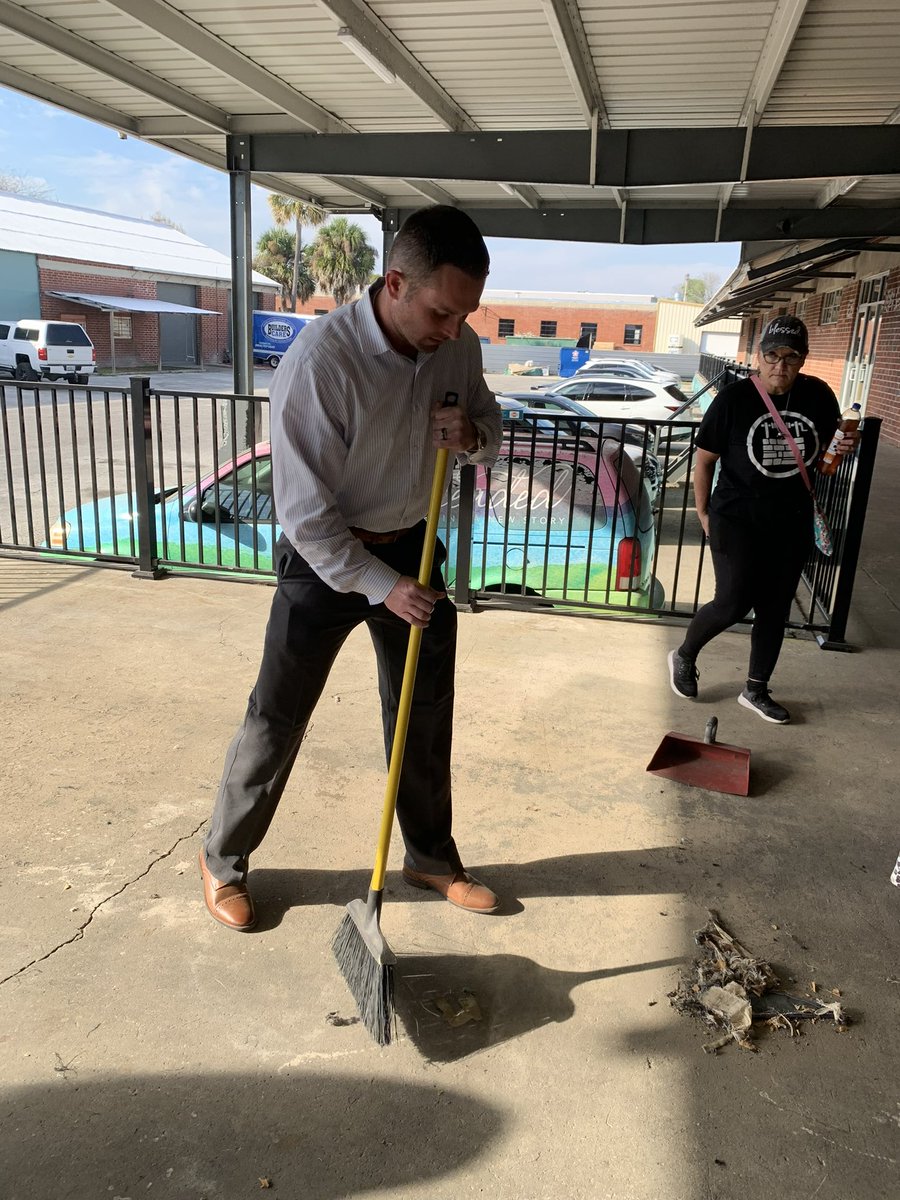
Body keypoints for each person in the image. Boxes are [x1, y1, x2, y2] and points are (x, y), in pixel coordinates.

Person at [199, 205, 503, 931]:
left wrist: (472, 435)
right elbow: (304, 516)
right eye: (441, 311)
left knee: (423, 712)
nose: (454, 329)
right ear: (395, 283)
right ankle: (224, 859)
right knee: (278, 714)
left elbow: (489, 427)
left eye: (466, 314)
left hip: (414, 545)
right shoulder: (321, 362)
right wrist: (381, 586)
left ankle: (430, 857)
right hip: (326, 555)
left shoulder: (457, 346)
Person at [667, 315, 858, 724]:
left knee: (775, 608)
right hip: (736, 517)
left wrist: (844, 446)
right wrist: (703, 512)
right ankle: (684, 655)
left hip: (791, 519)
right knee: (733, 601)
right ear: (759, 356)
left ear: (803, 359)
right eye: (772, 355)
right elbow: (704, 462)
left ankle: (755, 689)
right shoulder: (733, 399)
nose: (780, 365)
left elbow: (824, 457)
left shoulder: (818, 396)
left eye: (791, 357)